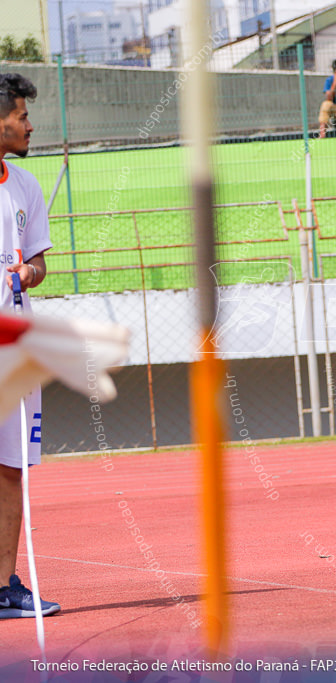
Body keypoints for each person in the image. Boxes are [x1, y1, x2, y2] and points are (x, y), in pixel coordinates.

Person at [0, 73, 59, 617]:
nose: (28, 123)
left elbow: (40, 261)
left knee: (10, 468)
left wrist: (30, 273)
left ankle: (4, 586)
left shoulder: (26, 186)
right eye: (20, 115)